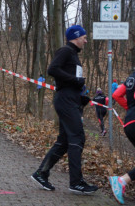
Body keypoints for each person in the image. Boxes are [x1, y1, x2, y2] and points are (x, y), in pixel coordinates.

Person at [31, 25, 98, 193]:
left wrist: (81, 95)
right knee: (77, 137)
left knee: (65, 141)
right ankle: (76, 182)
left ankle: (41, 173)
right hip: (65, 101)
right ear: (76, 37)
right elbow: (52, 69)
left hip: (70, 99)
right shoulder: (66, 51)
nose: (86, 40)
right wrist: (75, 82)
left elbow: (70, 80)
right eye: (84, 37)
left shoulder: (73, 55)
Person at [109, 69, 135, 204]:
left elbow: (117, 94)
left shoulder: (131, 77)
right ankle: (121, 181)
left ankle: (122, 181)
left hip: (129, 122)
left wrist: (130, 108)